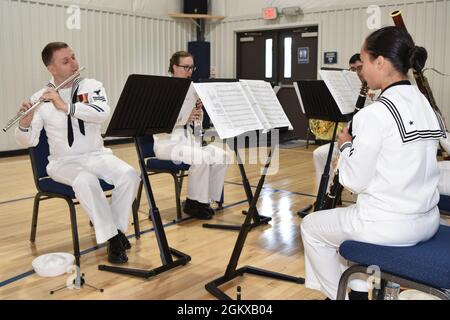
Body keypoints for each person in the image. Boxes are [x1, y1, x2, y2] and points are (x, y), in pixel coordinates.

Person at [300, 26, 446, 300]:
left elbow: (355, 182)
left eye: (364, 62)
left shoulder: (375, 114)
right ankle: (355, 289)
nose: (362, 70)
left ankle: (340, 296)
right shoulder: (424, 102)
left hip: (387, 226)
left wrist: (345, 146)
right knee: (341, 229)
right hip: (427, 218)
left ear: (380, 62)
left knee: (311, 228)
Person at [15, 42, 141, 265]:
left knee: (130, 175)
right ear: (51, 68)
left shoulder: (91, 87)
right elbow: (28, 141)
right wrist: (24, 123)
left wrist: (66, 106)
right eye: (66, 61)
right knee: (86, 180)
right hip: (63, 162)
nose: (74, 63)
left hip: (98, 155)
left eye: (73, 57)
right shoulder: (40, 98)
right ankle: (114, 239)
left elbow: (102, 114)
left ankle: (115, 231)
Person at [152, 51, 229, 220]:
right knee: (201, 158)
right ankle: (194, 204)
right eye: (185, 67)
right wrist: (184, 118)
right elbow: (158, 122)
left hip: (188, 140)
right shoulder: (162, 89)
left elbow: (197, 127)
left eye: (191, 67)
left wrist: (198, 113)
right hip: (166, 143)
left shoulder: (192, 89)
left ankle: (207, 200)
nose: (189, 71)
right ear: (174, 67)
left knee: (222, 156)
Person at [312, 54, 366, 191]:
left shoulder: (375, 88)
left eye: (360, 68)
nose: (356, 73)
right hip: (348, 141)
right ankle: (324, 193)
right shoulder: (346, 91)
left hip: (364, 145)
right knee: (319, 154)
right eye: (352, 69)